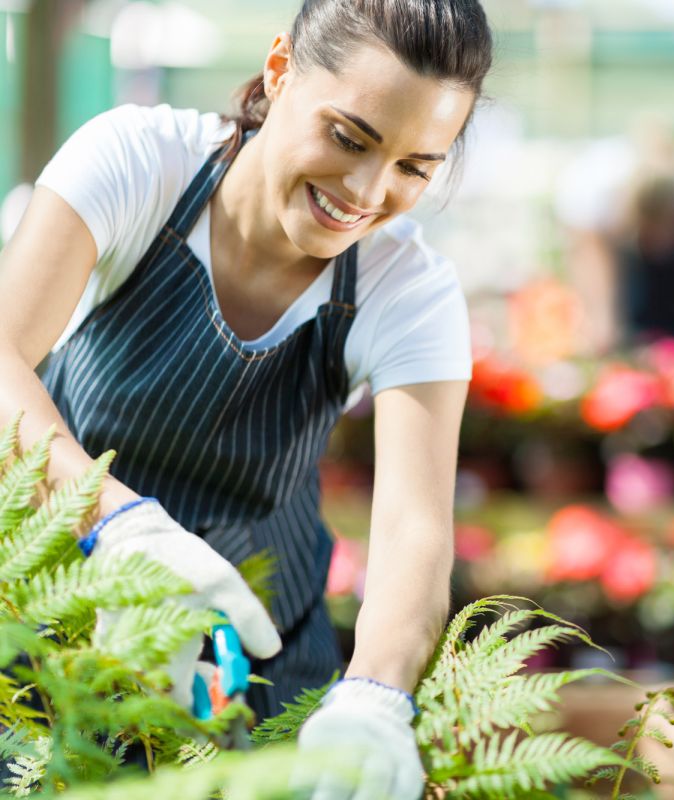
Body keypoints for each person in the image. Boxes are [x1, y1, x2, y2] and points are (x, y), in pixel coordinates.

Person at [0, 0, 492, 796]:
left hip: (262, 657)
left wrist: (375, 693)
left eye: (414, 167)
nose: (366, 192)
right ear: (280, 69)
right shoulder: (140, 163)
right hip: (58, 614)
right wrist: (114, 523)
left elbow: (414, 530)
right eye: (349, 137)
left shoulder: (411, 288)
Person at [555, 118, 674, 351]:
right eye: (649, 234)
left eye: (664, 233)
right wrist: (601, 327)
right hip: (624, 257)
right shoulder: (593, 188)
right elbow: (588, 256)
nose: (658, 244)